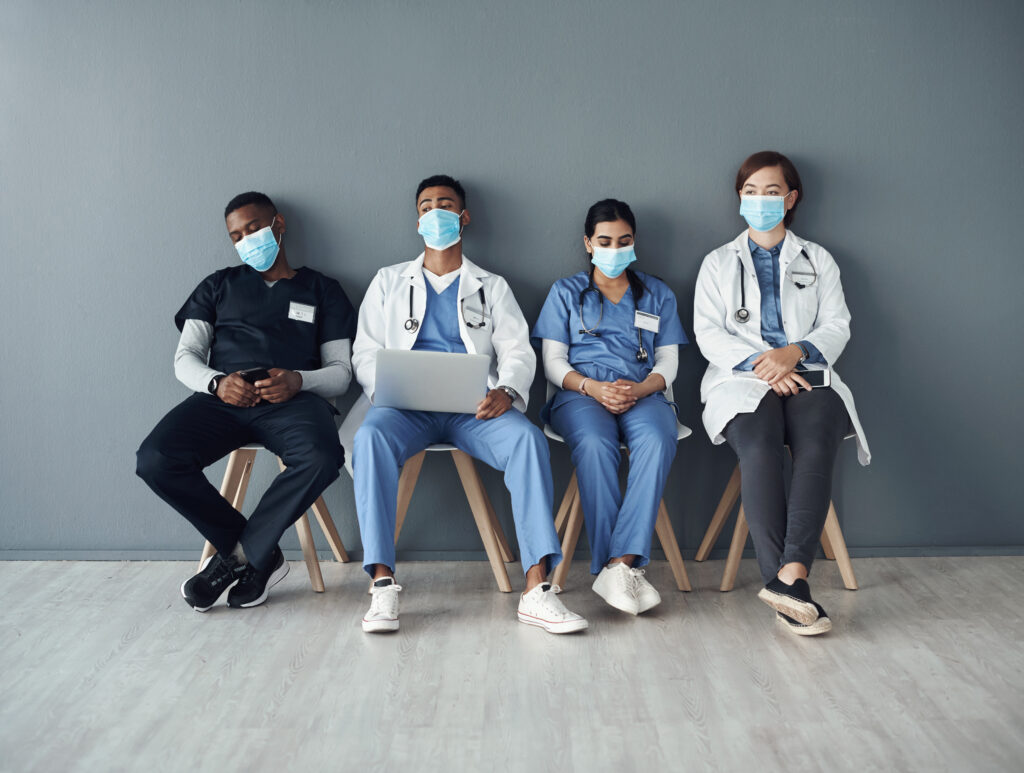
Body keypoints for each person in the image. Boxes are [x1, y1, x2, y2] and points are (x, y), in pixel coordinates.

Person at [340, 174, 587, 635]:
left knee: (528, 442)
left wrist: (507, 391)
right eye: (427, 205)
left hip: (476, 409)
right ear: (418, 220)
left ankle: (537, 589)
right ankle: (382, 585)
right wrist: (387, 389)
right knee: (370, 436)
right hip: (403, 409)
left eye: (446, 204)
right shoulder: (388, 281)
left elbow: (517, 351)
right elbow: (365, 351)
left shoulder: (491, 286)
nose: (436, 212)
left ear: (463, 216)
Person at [136, 192, 357, 611]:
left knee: (323, 455)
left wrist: (298, 380)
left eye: (253, 228)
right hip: (224, 400)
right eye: (236, 235)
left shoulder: (322, 289)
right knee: (155, 459)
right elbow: (185, 359)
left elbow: (341, 373)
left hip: (293, 401)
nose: (246, 239)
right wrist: (217, 383)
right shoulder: (217, 286)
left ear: (279, 224)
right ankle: (259, 555)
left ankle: (237, 558)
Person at [693, 151, 870, 636]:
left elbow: (839, 324)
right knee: (760, 448)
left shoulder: (818, 259)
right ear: (739, 199)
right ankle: (790, 590)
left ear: (790, 199)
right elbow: (709, 334)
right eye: (750, 191)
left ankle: (790, 578)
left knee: (816, 447)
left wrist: (794, 352)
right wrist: (763, 364)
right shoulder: (717, 263)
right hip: (742, 380)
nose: (760, 200)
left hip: (808, 372)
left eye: (771, 191)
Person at [531, 199, 689, 615]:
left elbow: (668, 363)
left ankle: (620, 565)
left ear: (634, 242)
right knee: (597, 445)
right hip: (580, 395)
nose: (614, 248)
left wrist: (639, 390)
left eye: (624, 241)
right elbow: (552, 363)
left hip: (643, 393)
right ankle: (619, 567)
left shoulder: (657, 294)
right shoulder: (565, 292)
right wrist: (593, 387)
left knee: (658, 438)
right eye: (604, 241)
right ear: (588, 243)